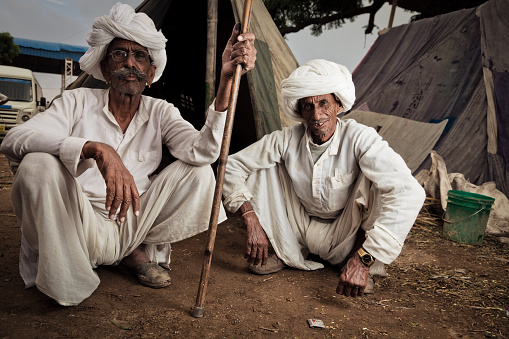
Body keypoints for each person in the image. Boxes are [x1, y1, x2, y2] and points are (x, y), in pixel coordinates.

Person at [0, 3, 256, 306]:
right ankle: (68, 276)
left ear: (151, 71)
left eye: (140, 56)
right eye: (120, 54)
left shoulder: (161, 112)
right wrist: (96, 149)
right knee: (36, 163)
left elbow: (204, 150)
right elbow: (15, 139)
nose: (130, 63)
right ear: (106, 68)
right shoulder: (76, 101)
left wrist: (226, 79)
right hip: (77, 223)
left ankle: (132, 250)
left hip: (135, 224)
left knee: (198, 171)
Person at [222, 59, 425, 297]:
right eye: (307, 106)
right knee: (262, 167)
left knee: (381, 182)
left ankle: (360, 265)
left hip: (347, 233)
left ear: (338, 105)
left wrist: (364, 257)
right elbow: (231, 165)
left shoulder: (361, 138)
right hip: (297, 225)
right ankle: (286, 250)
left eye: (323, 103)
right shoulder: (287, 138)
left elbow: (409, 192)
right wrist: (250, 217)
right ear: (300, 111)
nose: (316, 115)